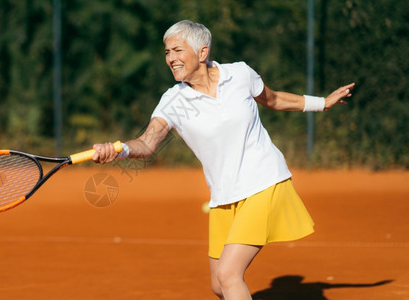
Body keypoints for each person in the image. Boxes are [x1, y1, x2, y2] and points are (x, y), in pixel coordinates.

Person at [91, 20, 354, 300]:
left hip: (264, 182)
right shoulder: (172, 101)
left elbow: (273, 99)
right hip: (224, 196)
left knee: (229, 275)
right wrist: (119, 149)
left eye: (177, 50)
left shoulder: (239, 74)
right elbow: (146, 143)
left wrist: (322, 103)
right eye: (167, 52)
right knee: (219, 285)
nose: (171, 59)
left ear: (202, 52)